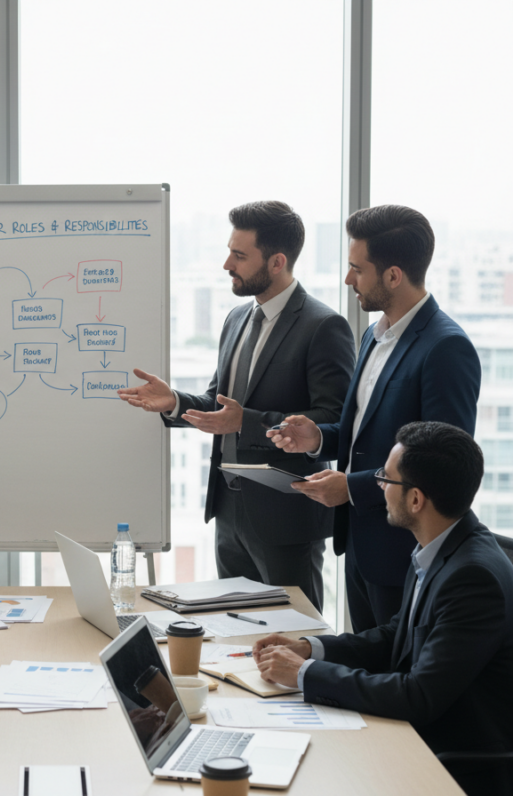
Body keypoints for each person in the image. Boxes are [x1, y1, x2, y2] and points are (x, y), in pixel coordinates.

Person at [254, 422, 513, 796]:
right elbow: (398, 634)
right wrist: (312, 649)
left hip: (453, 766)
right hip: (416, 739)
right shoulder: (443, 546)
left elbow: (419, 696)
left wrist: (306, 673)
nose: (377, 485)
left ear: (415, 500)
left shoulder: (473, 577)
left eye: (385, 478)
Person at [117, 201, 354, 612]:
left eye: (240, 256)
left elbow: (333, 422)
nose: (227, 264)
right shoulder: (236, 319)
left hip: (286, 517)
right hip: (228, 510)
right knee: (233, 634)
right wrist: (175, 401)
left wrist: (246, 422)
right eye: (230, 251)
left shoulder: (323, 326)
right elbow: (220, 402)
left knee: (291, 638)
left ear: (277, 261)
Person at [267, 205, 480, 632]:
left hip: (405, 551)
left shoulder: (445, 349)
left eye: (356, 269)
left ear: (393, 276)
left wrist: (350, 487)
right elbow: (365, 433)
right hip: (361, 548)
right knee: (364, 671)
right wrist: (319, 439)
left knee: (394, 683)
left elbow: (444, 467)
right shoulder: (373, 334)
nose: (348, 280)